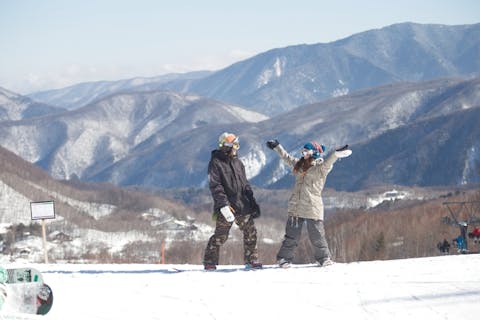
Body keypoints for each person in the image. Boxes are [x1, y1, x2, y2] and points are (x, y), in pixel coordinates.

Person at [266, 139, 352, 268]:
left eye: (306, 151)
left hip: (312, 207)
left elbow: (329, 162)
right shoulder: (300, 165)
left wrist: (336, 154)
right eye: (303, 151)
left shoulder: (320, 168)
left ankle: (323, 258)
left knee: (317, 235)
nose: (303, 153)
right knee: (291, 236)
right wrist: (277, 147)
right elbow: (286, 157)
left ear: (314, 153)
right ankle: (284, 259)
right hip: (296, 206)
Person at [203, 132, 262, 270]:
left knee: (250, 232)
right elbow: (215, 186)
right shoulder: (216, 163)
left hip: (243, 205)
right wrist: (223, 205)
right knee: (221, 236)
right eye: (235, 145)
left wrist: (252, 202)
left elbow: (245, 184)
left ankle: (251, 260)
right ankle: (209, 261)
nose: (237, 148)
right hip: (227, 206)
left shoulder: (238, 163)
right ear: (227, 146)